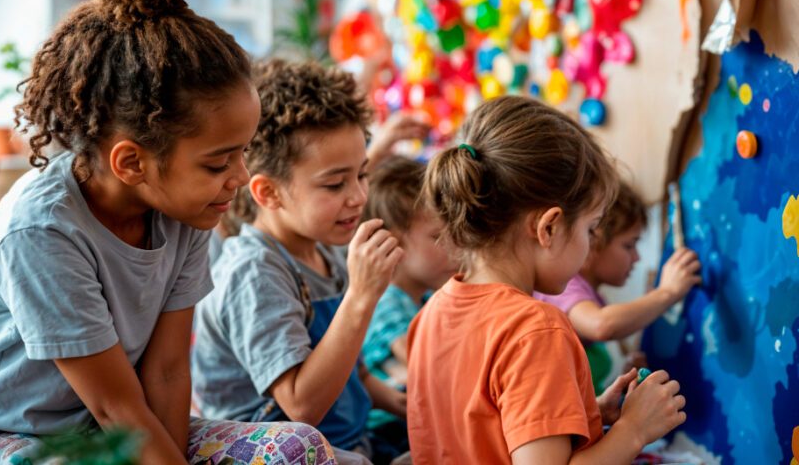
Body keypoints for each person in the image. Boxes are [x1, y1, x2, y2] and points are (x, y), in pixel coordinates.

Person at [0, 0, 333, 465]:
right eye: (218, 162)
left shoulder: (190, 209)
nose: (241, 178)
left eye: (243, 153)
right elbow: (117, 407)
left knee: (297, 448)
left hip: (109, 425)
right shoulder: (41, 232)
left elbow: (166, 373)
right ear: (131, 163)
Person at [407, 96, 687, 464]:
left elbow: (488, 432)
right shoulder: (536, 330)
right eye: (591, 227)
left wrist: (587, 415)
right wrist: (632, 431)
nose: (590, 244)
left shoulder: (431, 314)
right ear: (549, 227)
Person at [192, 59, 405, 463]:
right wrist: (361, 297)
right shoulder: (253, 271)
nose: (358, 196)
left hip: (344, 442)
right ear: (268, 193)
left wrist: (400, 403)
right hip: (271, 451)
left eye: (361, 174)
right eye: (334, 183)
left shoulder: (323, 249)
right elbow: (301, 407)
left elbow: (352, 373)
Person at [536, 179, 701, 394]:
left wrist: (620, 386)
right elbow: (601, 324)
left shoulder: (588, 296)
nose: (636, 257)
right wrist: (667, 292)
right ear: (594, 240)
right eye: (629, 245)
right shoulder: (562, 286)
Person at [360, 156, 458, 461]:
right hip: (389, 431)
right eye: (438, 237)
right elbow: (426, 365)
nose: (455, 247)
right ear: (392, 243)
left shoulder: (426, 298)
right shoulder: (386, 300)